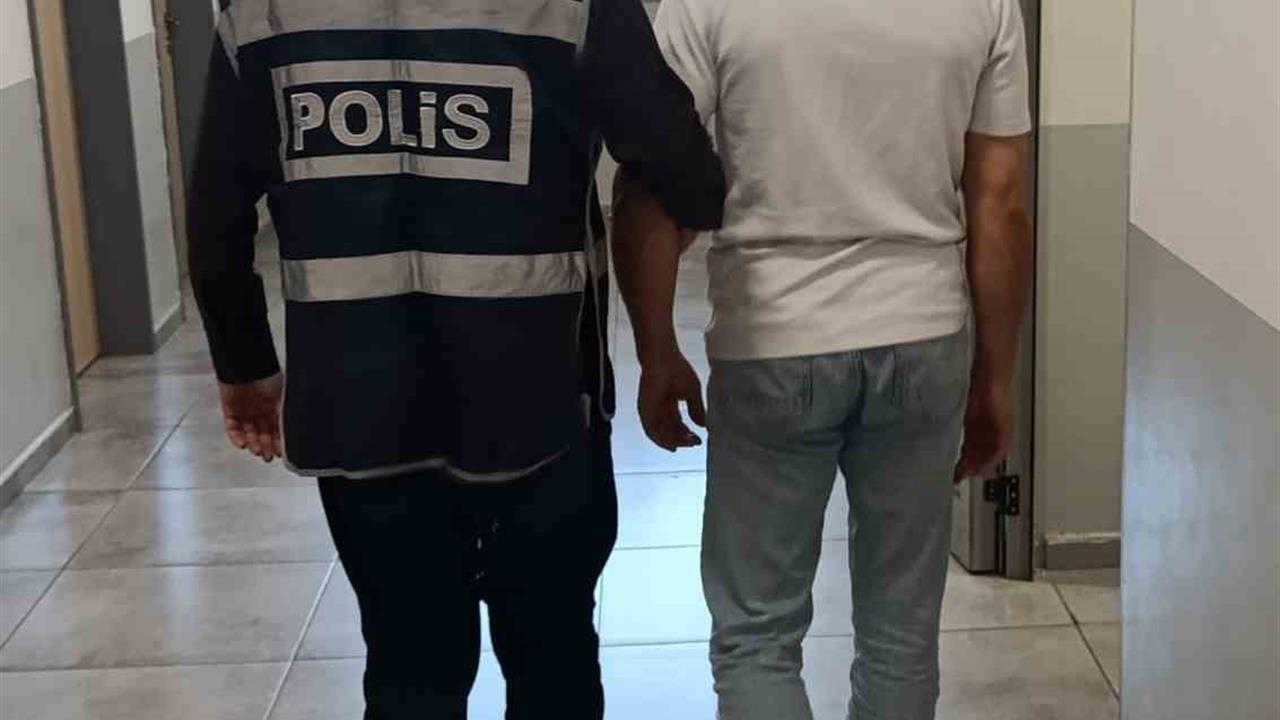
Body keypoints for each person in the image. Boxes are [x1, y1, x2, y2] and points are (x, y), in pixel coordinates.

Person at [186, 1, 724, 718]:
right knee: (553, 654)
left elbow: (216, 206)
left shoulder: (263, 11)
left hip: (359, 406)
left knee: (410, 665)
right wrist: (701, 196)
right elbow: (671, 151)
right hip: (537, 400)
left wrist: (244, 362)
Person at [612, 0, 1033, 718]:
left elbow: (647, 180)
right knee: (901, 637)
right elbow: (1001, 203)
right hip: (922, 338)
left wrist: (657, 352)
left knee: (757, 637)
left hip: (771, 338)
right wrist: (995, 377)